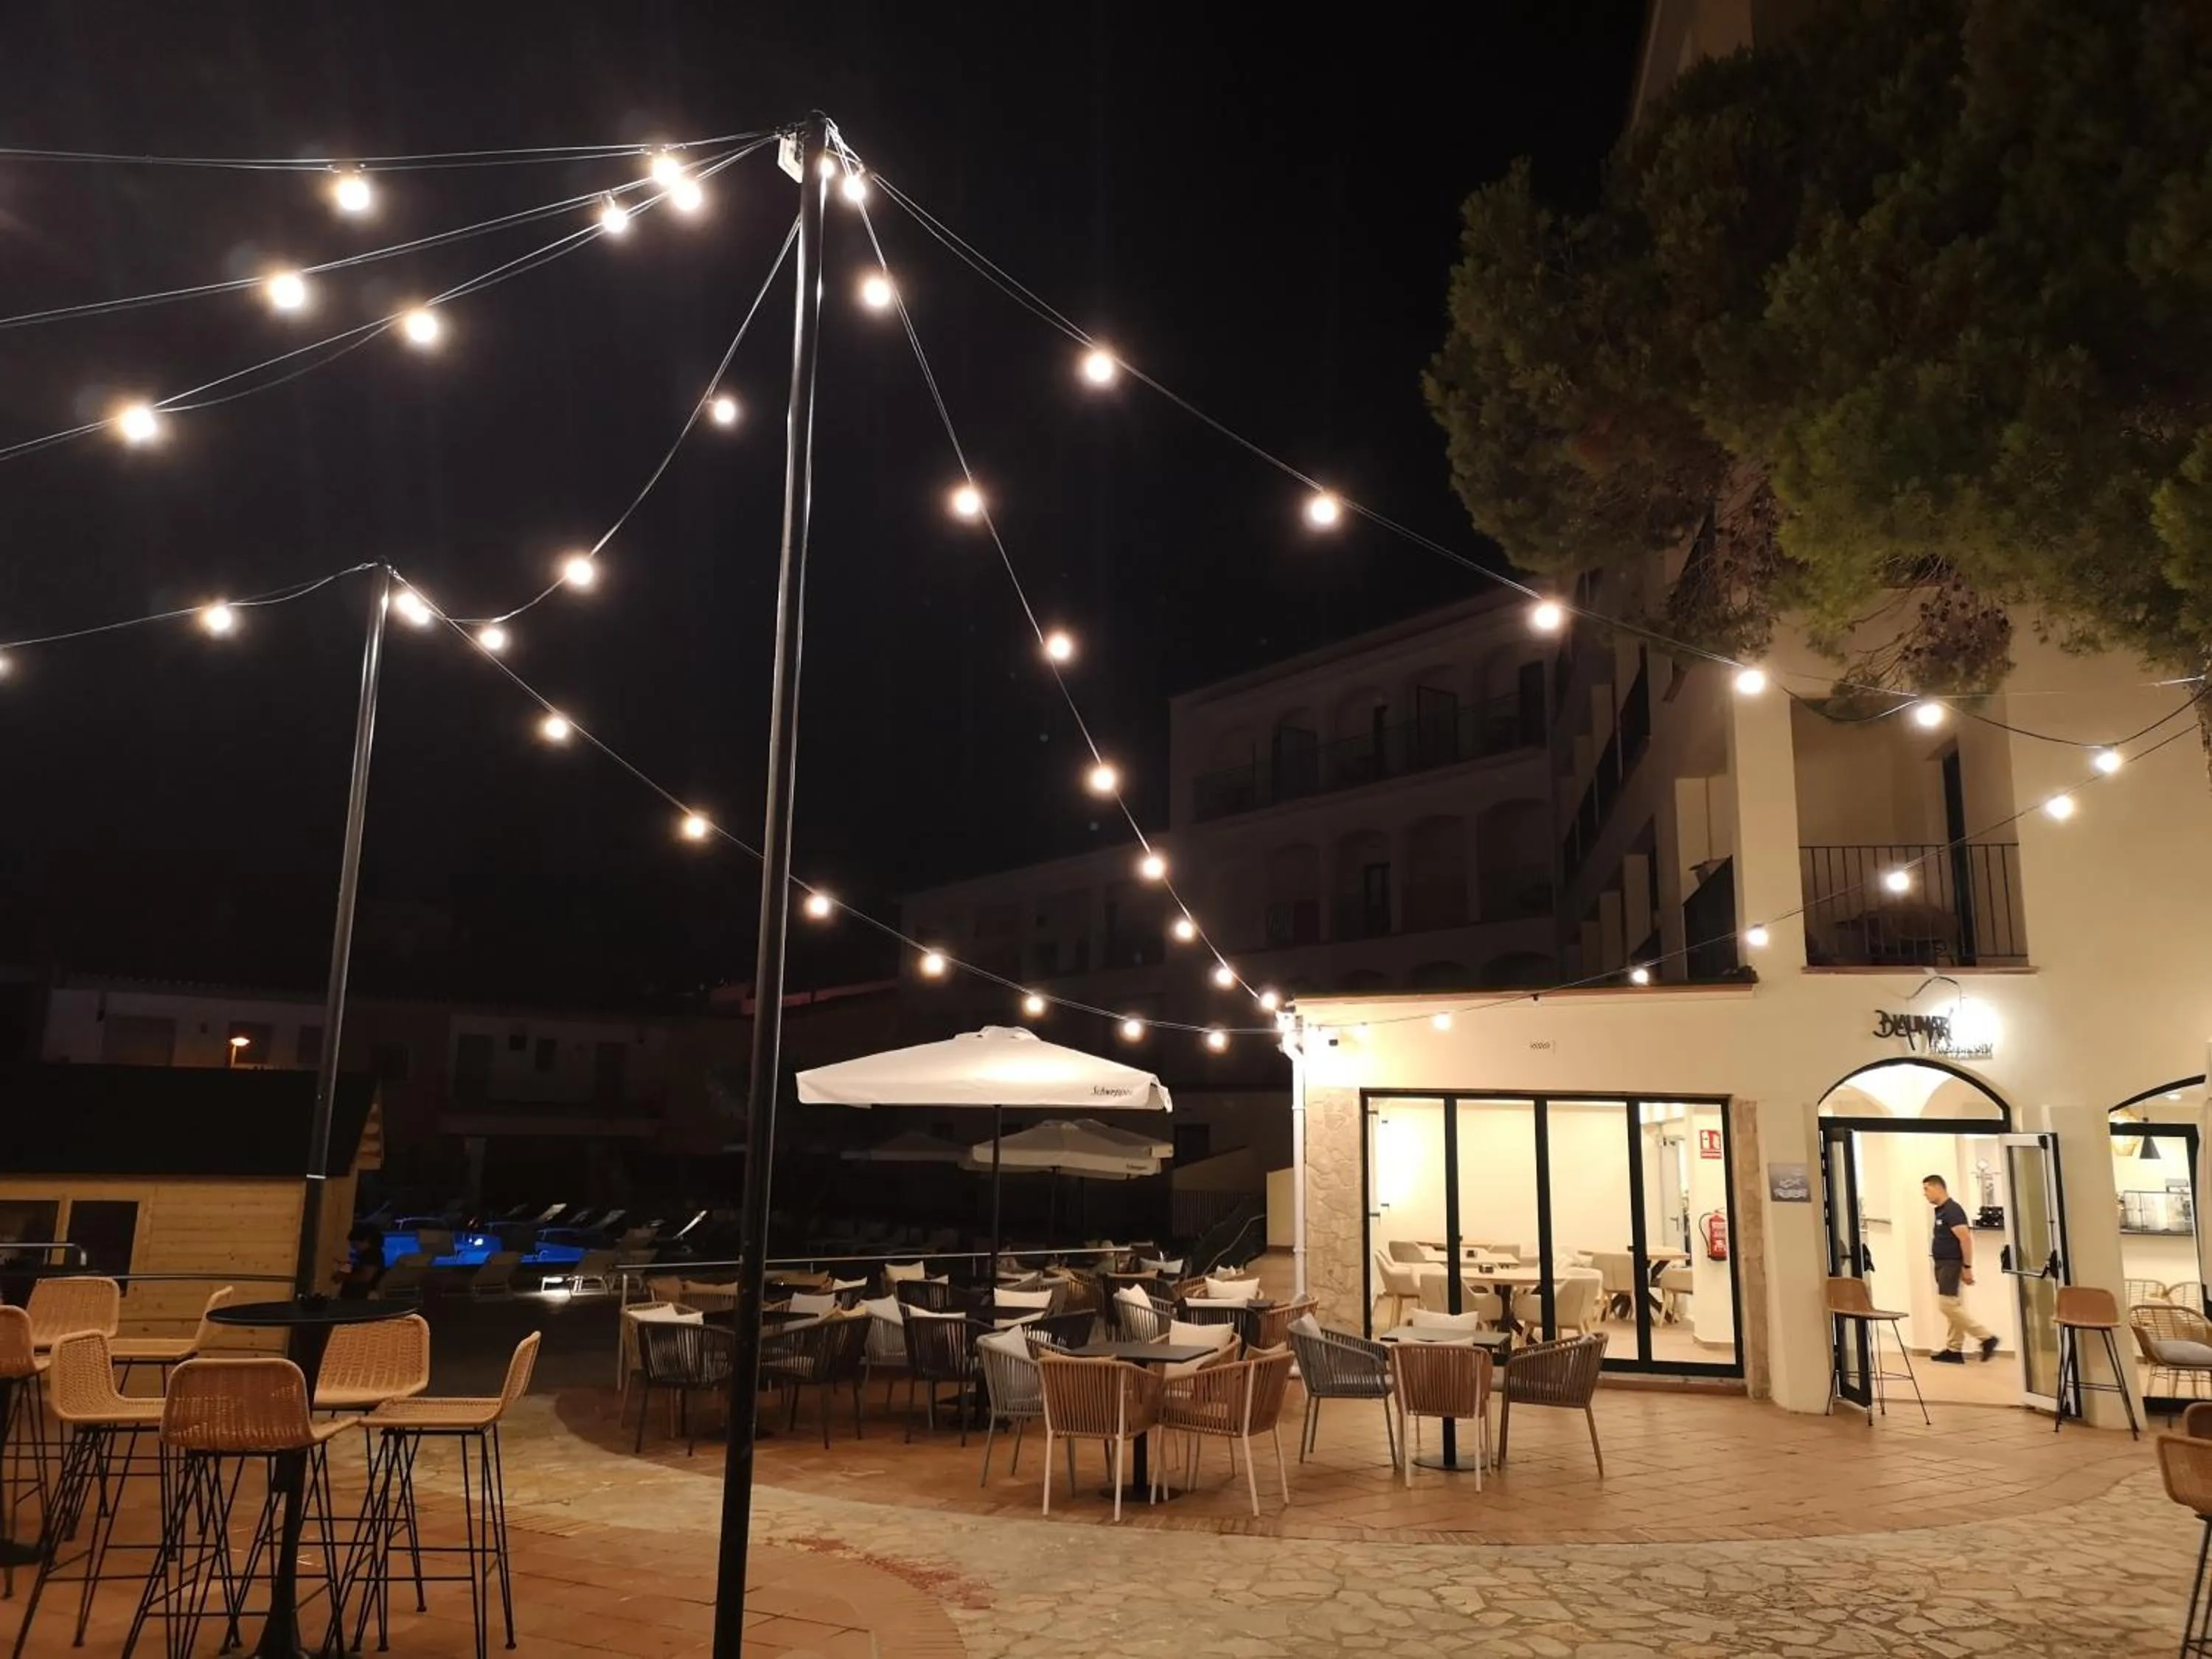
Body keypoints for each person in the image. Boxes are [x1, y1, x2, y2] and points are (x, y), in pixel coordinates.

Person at [1924, 1175, 1998, 1363]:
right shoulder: (1942, 1211)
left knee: (1946, 1305)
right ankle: (1954, 1349)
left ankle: (1986, 1337)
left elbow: (1965, 1239)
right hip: (1942, 1263)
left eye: (1927, 1189)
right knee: (1953, 1305)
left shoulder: (1952, 1210)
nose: (1925, 1194)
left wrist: (1967, 1267)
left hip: (1951, 1263)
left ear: (1938, 1188)